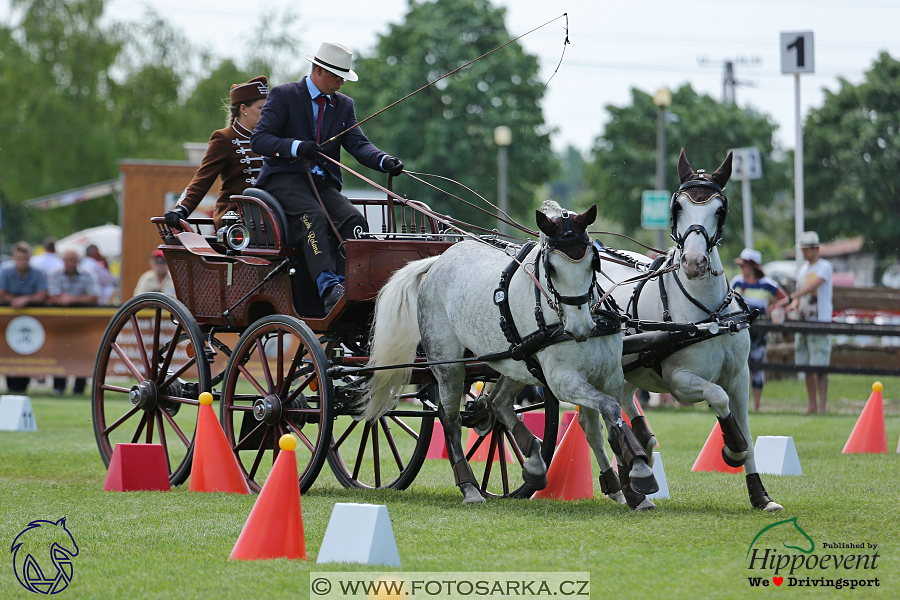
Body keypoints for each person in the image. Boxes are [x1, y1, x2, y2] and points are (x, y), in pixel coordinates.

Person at [250, 42, 405, 313]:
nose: (342, 82)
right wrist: (297, 147)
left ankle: (351, 283)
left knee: (354, 220)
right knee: (314, 217)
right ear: (319, 70)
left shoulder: (344, 105)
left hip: (322, 184)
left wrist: (384, 160)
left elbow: (358, 145)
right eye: (337, 76)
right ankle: (328, 287)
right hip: (283, 180)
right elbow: (260, 140)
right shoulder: (284, 95)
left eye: (344, 76)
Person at [165, 76, 269, 231]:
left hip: (268, 213)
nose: (267, 113)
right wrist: (182, 208)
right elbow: (202, 179)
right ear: (244, 109)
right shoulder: (225, 138)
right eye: (261, 108)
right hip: (235, 215)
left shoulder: (271, 138)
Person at [775, 231, 833, 414]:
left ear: (816, 248)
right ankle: (812, 405)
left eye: (807, 250)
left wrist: (791, 297)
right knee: (806, 365)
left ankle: (823, 406)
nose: (804, 253)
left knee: (821, 366)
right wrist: (791, 305)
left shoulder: (825, 266)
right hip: (803, 321)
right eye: (803, 250)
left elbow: (812, 286)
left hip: (820, 320)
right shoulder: (802, 270)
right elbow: (801, 295)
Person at [731, 248, 787, 411]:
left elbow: (784, 298)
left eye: (745, 265)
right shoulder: (737, 282)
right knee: (739, 366)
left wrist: (773, 308)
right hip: (740, 328)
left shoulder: (767, 284)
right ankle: (741, 404)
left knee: (756, 365)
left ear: (753, 266)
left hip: (759, 330)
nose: (742, 268)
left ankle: (756, 405)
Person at [47, 249, 100, 395]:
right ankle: (59, 386)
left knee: (81, 354)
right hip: (60, 322)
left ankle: (79, 388)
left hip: (82, 323)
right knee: (59, 353)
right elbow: (54, 296)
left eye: (73, 260)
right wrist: (79, 298)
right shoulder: (55, 273)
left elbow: (94, 296)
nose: (70, 263)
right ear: (63, 261)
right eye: (68, 260)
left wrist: (71, 299)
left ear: (78, 261)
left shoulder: (88, 274)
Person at [0, 242, 48, 393]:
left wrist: (25, 300)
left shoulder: (37, 272)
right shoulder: (5, 271)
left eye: (25, 258)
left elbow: (42, 295)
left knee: (29, 353)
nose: (22, 261)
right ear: (14, 258)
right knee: (10, 352)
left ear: (30, 258)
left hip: (34, 321)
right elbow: (1, 293)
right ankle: (11, 384)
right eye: (19, 258)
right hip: (8, 321)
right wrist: (15, 301)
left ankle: (25, 383)